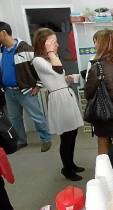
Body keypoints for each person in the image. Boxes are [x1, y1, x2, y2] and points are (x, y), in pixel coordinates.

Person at [32, 28, 85, 181]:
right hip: (58, 99)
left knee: (73, 132)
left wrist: (66, 79)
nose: (57, 45)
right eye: (53, 42)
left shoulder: (50, 58)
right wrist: (50, 52)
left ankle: (71, 163)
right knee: (66, 136)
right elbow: (58, 69)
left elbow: (58, 74)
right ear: (44, 43)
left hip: (66, 95)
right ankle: (66, 169)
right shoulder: (38, 60)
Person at [0, 21, 52, 152]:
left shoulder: (25, 49)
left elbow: (42, 66)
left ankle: (46, 139)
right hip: (9, 92)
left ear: (3, 33)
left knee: (37, 116)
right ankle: (21, 140)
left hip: (26, 91)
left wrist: (39, 85)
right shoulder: (2, 51)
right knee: (14, 118)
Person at [84, 29, 113, 155]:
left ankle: (105, 173)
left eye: (96, 42)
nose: (94, 45)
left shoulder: (97, 67)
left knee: (103, 143)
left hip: (105, 113)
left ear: (101, 44)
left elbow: (88, 93)